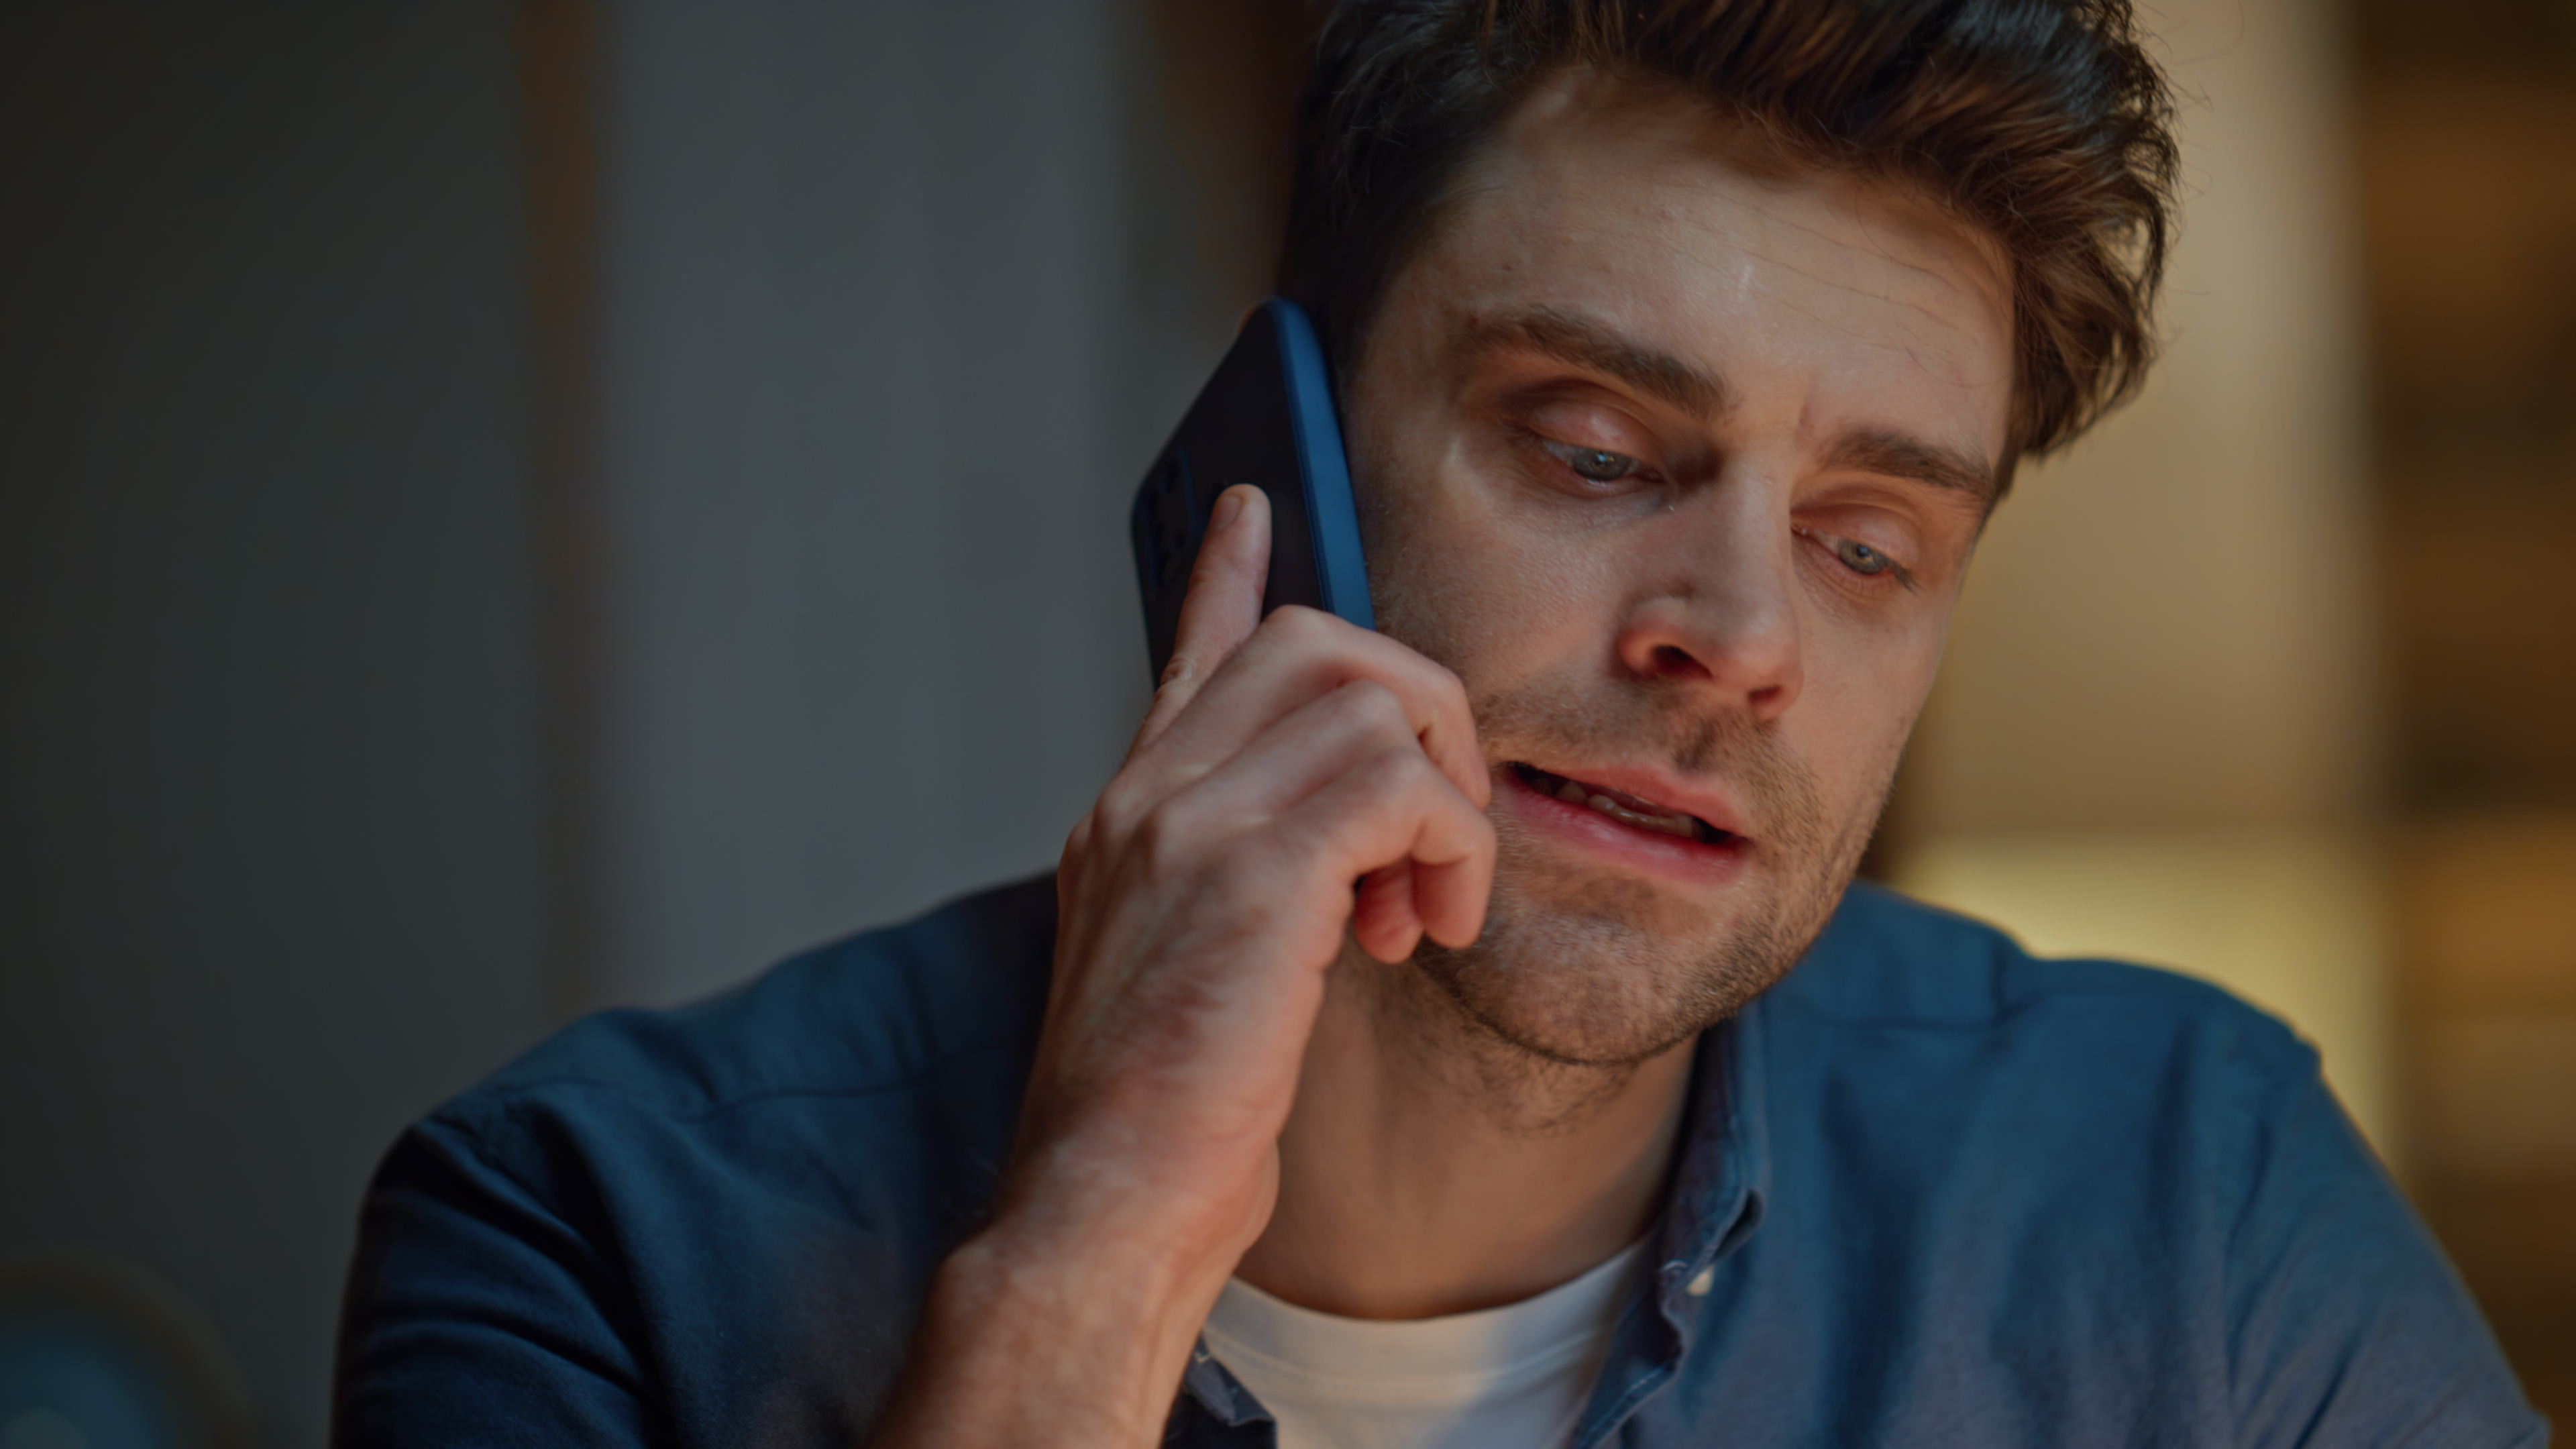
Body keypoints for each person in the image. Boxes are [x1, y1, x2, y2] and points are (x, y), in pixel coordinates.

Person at [334, 2, 2547, 1446]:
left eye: (1873, 541)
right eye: (1593, 452)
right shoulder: (585, 1235)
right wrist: (1089, 1245)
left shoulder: (2189, 1184)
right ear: (1269, 469)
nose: (1741, 636)